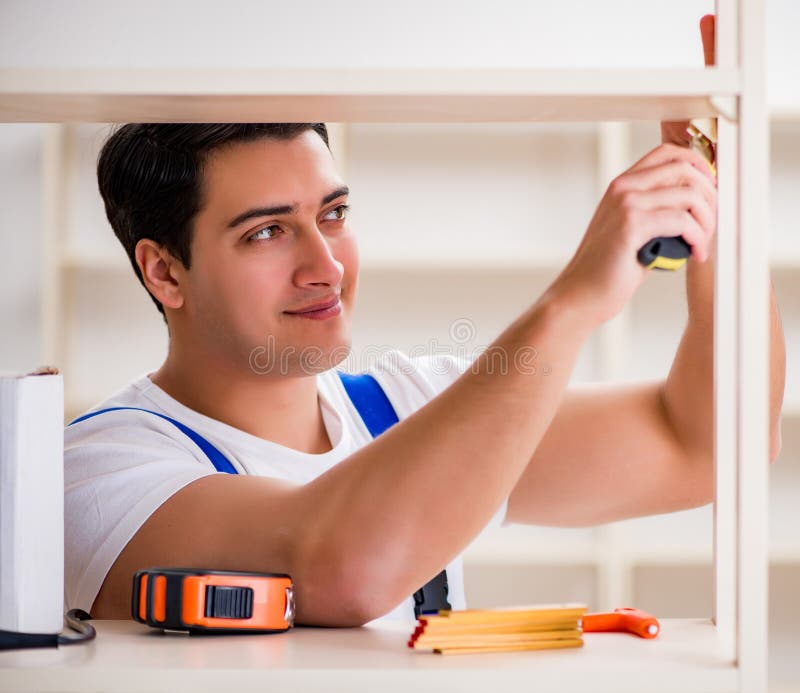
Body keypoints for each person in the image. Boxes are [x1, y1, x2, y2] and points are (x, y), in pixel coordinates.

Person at [64, 18, 785, 627]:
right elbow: (340, 562)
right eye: (266, 233)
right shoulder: (102, 470)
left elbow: (711, 442)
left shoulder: (413, 407)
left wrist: (721, 207)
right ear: (164, 271)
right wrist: (572, 304)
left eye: (333, 215)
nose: (326, 265)